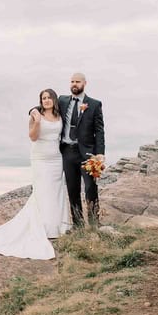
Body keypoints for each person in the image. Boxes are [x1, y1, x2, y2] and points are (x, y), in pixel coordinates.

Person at [0, 89, 72, 260]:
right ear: (40, 101)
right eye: (43, 98)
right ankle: (43, 227)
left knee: (56, 191)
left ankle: (57, 227)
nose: (46, 100)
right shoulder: (35, 115)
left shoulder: (60, 115)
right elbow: (32, 137)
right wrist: (38, 121)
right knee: (43, 191)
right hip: (40, 158)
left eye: (49, 98)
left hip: (56, 158)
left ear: (54, 99)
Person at [58, 73, 105, 228]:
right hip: (67, 152)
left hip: (87, 153)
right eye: (72, 81)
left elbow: (99, 131)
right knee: (72, 189)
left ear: (85, 83)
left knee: (90, 187)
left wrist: (100, 153)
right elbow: (45, 107)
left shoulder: (94, 104)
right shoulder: (62, 101)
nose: (74, 84)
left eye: (77, 81)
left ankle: (94, 223)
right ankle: (78, 225)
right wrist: (33, 110)